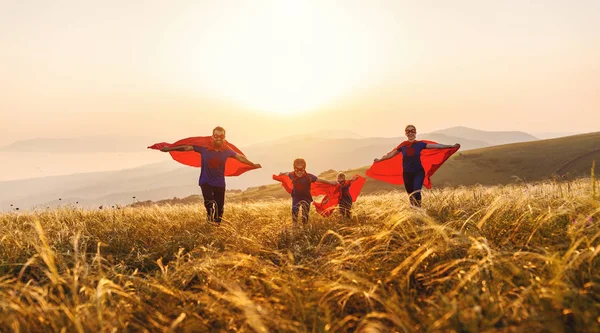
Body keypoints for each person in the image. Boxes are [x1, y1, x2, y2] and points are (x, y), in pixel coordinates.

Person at [159, 126, 261, 223]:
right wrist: (169, 149)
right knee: (210, 204)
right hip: (206, 181)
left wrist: (252, 164)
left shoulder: (226, 151)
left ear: (224, 138)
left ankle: (216, 227)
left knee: (219, 208)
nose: (219, 138)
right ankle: (209, 219)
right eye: (216, 136)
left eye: (221, 136)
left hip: (219, 183)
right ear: (213, 136)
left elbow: (240, 157)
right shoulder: (204, 148)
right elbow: (186, 148)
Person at [372, 125, 459, 207]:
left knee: (416, 192)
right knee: (410, 194)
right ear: (406, 133)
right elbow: (391, 155)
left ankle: (419, 210)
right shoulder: (403, 145)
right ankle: (414, 210)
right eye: (408, 131)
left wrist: (450, 146)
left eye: (412, 131)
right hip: (407, 174)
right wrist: (380, 160)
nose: (410, 133)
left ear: (415, 133)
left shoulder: (420, 144)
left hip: (418, 172)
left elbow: (437, 146)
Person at [277, 158, 337, 225]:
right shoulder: (292, 175)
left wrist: (331, 182)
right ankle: (294, 226)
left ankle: (304, 227)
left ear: (304, 168)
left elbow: (320, 180)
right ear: (294, 169)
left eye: (301, 170)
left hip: (306, 198)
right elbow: (287, 173)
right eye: (297, 170)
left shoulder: (309, 177)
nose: (299, 172)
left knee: (305, 214)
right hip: (296, 197)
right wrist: (282, 173)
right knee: (294, 211)